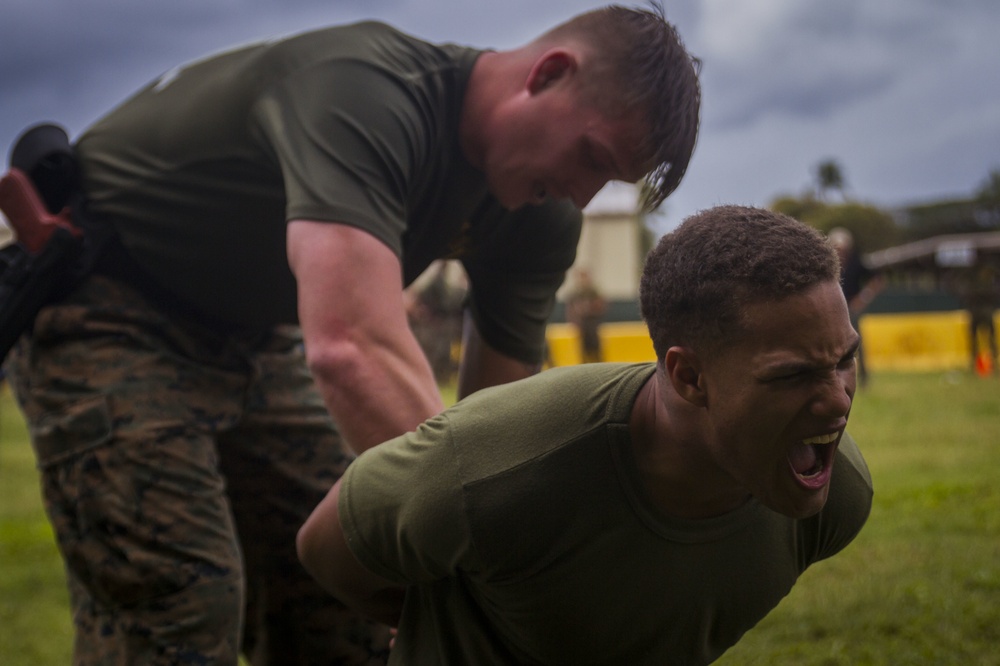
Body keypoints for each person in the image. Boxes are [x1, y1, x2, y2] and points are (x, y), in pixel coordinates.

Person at [2, 3, 701, 665]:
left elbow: (492, 423)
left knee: (351, 591)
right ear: (548, 73)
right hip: (112, 309)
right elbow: (349, 348)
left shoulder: (540, 213)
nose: (582, 195)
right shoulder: (368, 93)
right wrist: (493, 560)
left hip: (256, 336)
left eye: (607, 180)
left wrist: (518, 540)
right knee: (178, 603)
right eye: (590, 156)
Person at [297, 205, 874, 665]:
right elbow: (328, 549)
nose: (837, 401)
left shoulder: (833, 497)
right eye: (793, 375)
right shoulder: (503, 464)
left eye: (844, 360)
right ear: (689, 376)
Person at [828, 227, 883, 386]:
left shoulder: (856, 262)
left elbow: (877, 280)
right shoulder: (829, 264)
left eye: (842, 249)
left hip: (851, 309)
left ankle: (863, 378)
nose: (840, 252)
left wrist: (863, 298)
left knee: (857, 343)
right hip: (833, 311)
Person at [565, 268, 608, 363]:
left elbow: (601, 304)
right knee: (582, 347)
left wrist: (590, 308)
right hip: (581, 323)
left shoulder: (593, 290)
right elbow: (570, 308)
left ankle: (598, 362)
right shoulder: (575, 292)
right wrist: (573, 320)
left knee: (594, 345)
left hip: (592, 322)